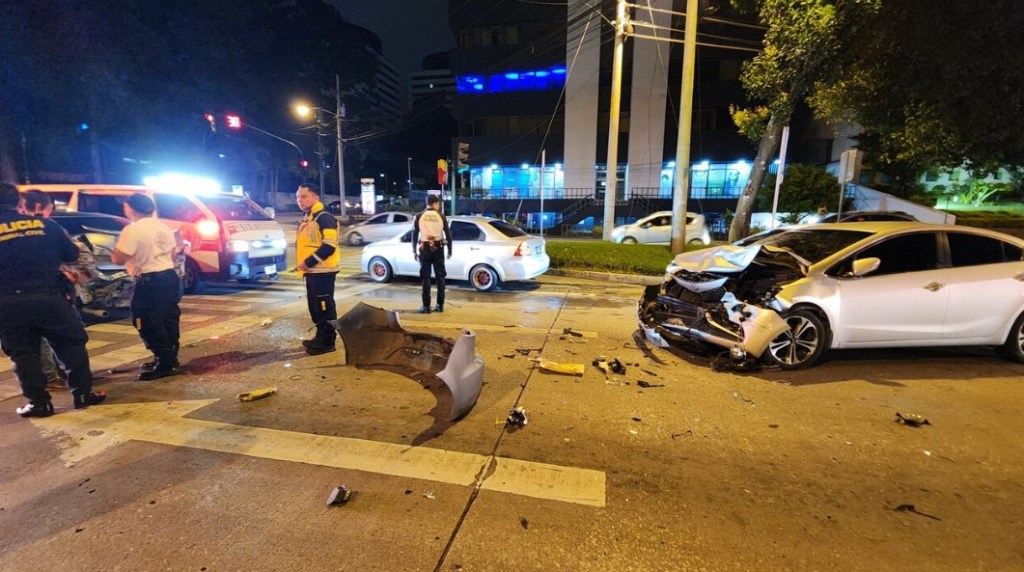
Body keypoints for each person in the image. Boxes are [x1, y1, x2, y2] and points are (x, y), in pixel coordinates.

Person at [0, 182, 106, 417]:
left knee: (23, 353)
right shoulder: (47, 225)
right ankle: (82, 394)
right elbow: (71, 254)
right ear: (19, 202)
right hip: (50, 297)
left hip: (8, 303)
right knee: (70, 345)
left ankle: (39, 403)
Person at [111, 193, 182, 380]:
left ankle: (164, 361)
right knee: (168, 318)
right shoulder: (164, 226)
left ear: (131, 208)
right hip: (170, 277)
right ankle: (169, 356)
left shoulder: (132, 230)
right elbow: (173, 254)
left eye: (125, 206)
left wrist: (115, 251)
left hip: (150, 281)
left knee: (145, 321)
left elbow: (118, 259)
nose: (124, 209)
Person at [295, 184, 340, 355]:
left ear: (316, 198)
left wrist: (309, 262)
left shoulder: (324, 218)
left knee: (325, 308)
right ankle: (320, 337)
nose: (300, 200)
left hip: (323, 272)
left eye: (304, 196)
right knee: (315, 308)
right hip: (312, 272)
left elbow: (330, 246)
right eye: (298, 197)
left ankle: (328, 342)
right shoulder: (310, 218)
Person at [410, 194, 452, 314]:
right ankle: (440, 305)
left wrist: (413, 250)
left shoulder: (419, 216)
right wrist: (449, 250)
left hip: (424, 248)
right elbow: (448, 235)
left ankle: (426, 306)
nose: (439, 206)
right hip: (438, 248)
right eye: (438, 204)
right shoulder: (441, 216)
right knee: (440, 277)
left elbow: (414, 234)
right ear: (434, 203)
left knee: (425, 278)